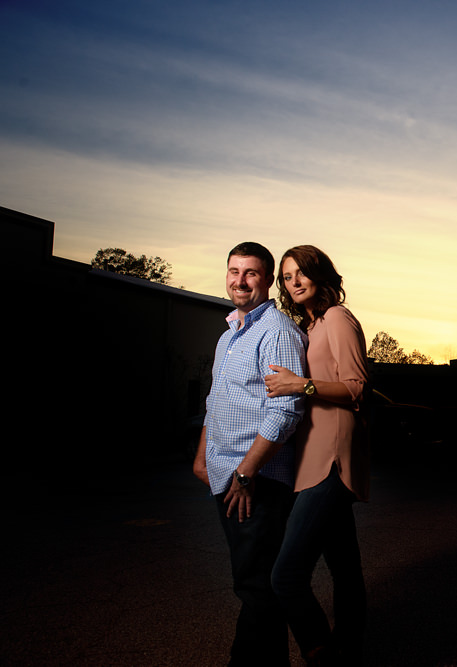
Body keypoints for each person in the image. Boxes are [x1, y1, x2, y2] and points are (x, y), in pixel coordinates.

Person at [193, 241, 307, 667]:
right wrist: (201, 457)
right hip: (227, 475)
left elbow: (286, 409)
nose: (240, 281)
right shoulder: (229, 337)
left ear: (267, 278)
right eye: (234, 271)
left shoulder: (276, 331)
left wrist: (245, 474)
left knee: (256, 585)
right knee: (255, 583)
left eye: (251, 273)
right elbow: (215, 399)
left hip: (256, 480)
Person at [265, 245, 370, 667]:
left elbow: (357, 388)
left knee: (286, 576)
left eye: (301, 273)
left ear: (320, 273)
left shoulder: (338, 319)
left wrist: (301, 385)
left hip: (332, 459)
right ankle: (348, 649)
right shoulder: (310, 327)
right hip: (310, 460)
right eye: (287, 276)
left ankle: (323, 654)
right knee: (345, 567)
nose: (293, 282)